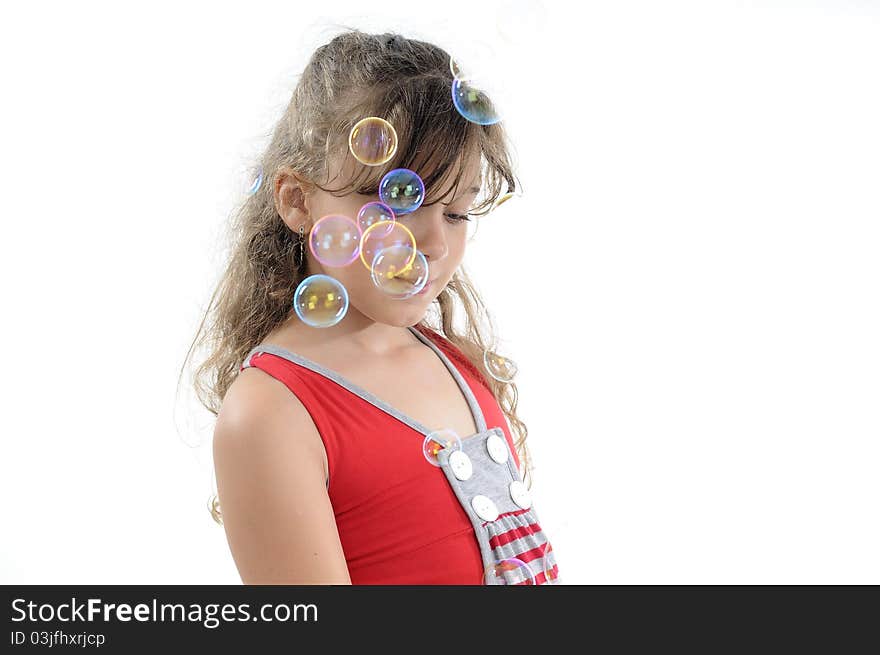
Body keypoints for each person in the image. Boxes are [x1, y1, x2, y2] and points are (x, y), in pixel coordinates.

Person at [183, 28, 559, 585]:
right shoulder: (270, 413)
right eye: (399, 204)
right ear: (296, 199)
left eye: (457, 214)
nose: (434, 243)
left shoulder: (452, 361)